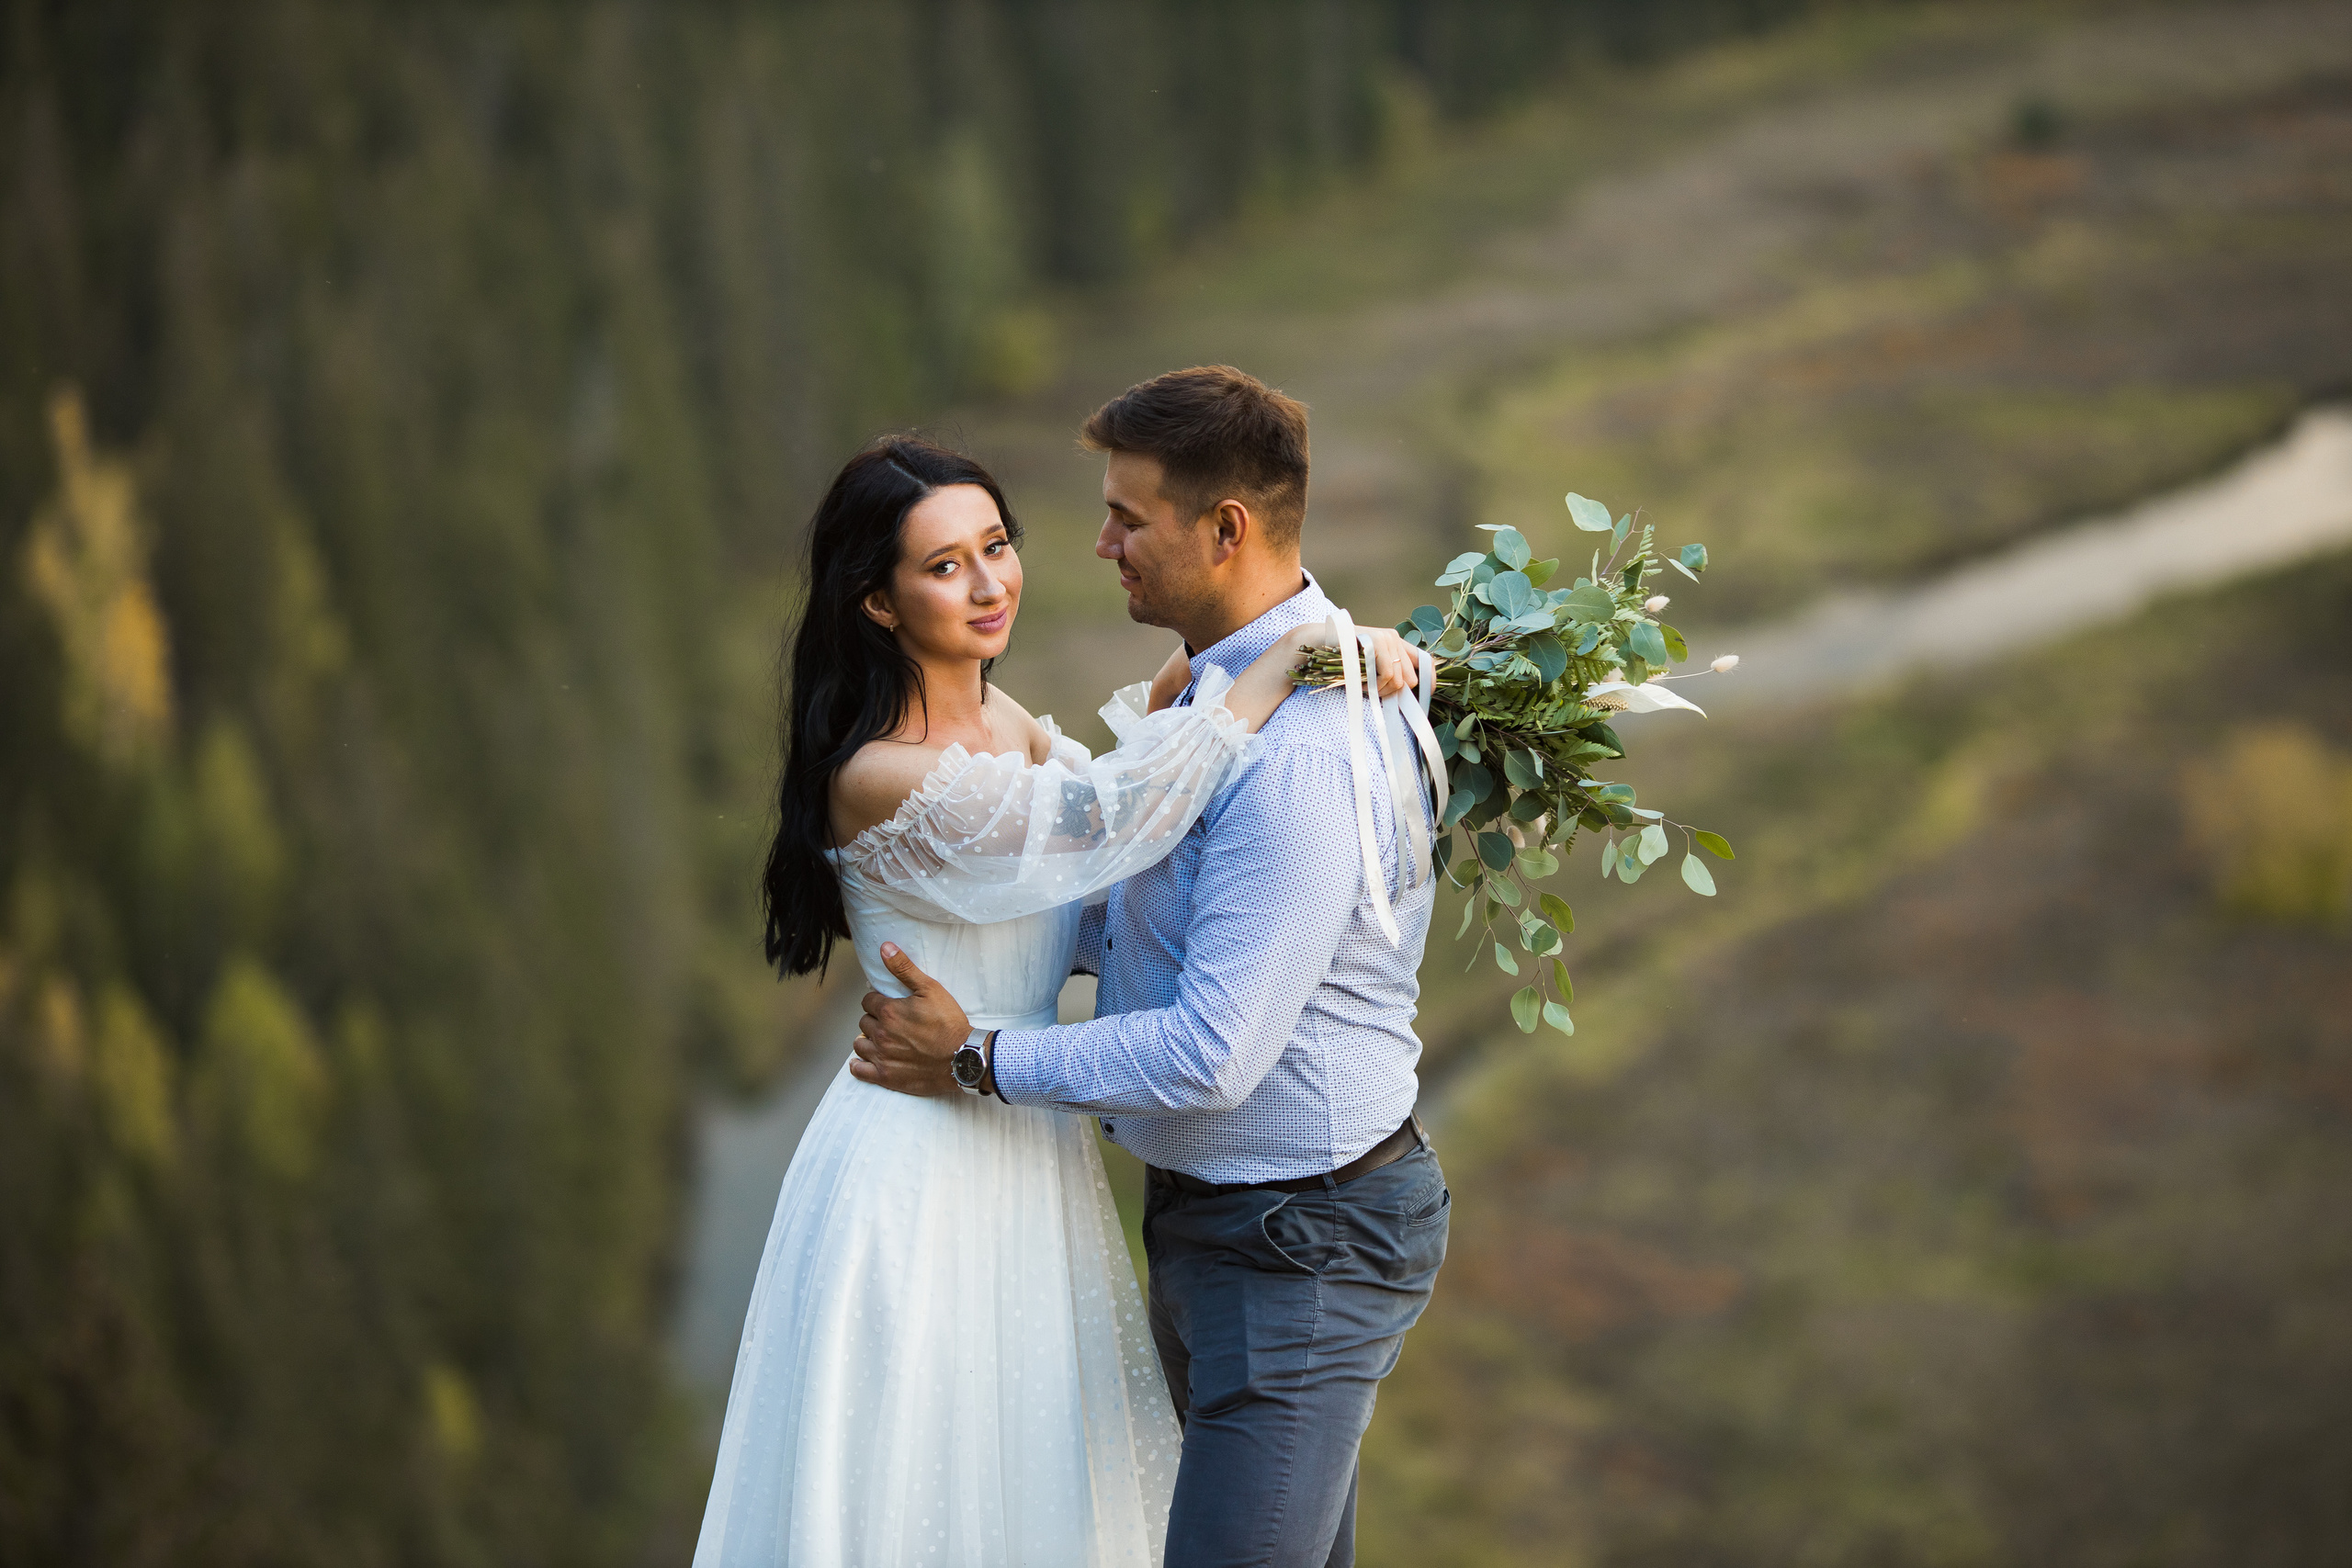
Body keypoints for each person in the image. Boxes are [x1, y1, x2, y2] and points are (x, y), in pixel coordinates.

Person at [690, 432, 1419, 1567]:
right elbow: (1116, 820)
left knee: (1032, 1492)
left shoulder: (1008, 723)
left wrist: (1203, 696)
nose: (989, 584)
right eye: (944, 566)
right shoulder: (882, 773)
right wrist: (1280, 664)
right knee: (928, 1486)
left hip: (1022, 1145)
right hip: (923, 1156)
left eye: (997, 546)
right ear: (877, 602)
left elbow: (1096, 882)